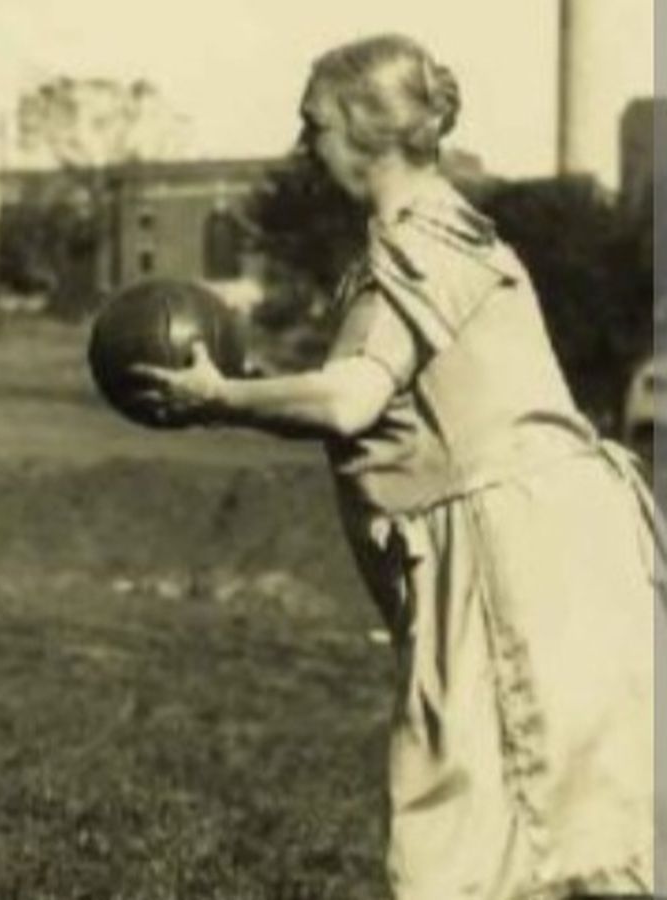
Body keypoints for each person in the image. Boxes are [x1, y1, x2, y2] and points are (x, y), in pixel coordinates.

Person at [133, 34, 660, 900]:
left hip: (514, 562)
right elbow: (375, 413)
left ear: (368, 131)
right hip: (555, 549)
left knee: (471, 844)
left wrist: (219, 398)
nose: (303, 147)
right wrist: (251, 394)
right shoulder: (451, 232)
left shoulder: (417, 246)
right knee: (568, 834)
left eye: (315, 126)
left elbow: (348, 402)